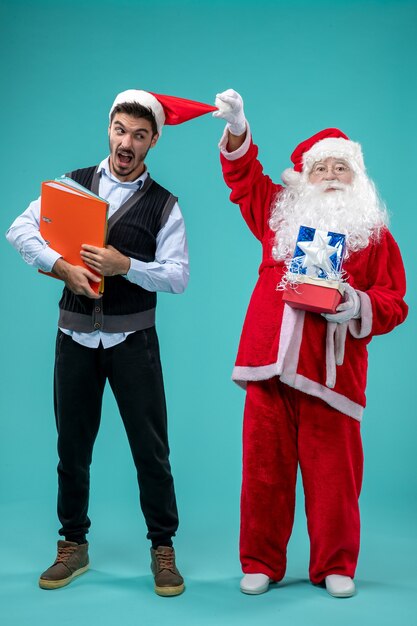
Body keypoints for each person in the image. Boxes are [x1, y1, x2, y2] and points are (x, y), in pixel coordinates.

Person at [6, 89, 215, 596]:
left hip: (133, 341)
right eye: (121, 130)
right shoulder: (70, 186)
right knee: (71, 447)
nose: (127, 142)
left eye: (139, 136)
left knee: (151, 449)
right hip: (73, 335)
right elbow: (19, 230)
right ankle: (72, 544)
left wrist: (128, 267)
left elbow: (179, 276)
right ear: (109, 129)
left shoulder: (165, 204)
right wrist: (59, 267)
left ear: (153, 141)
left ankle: (163, 549)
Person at [213, 89, 408, 598]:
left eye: (342, 169)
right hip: (269, 368)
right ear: (304, 178)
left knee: (335, 482)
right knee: (263, 474)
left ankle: (335, 564)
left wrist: (357, 305)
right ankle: (260, 561)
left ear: (357, 179)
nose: (331, 177)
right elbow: (242, 179)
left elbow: (395, 300)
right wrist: (237, 127)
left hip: (332, 375)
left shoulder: (374, 235)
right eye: (322, 169)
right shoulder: (277, 215)